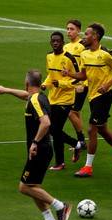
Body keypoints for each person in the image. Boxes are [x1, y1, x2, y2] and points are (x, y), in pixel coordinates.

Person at [0, 70, 72, 220]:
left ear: (27, 84)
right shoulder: (39, 96)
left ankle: (61, 207)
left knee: (25, 187)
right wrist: (6, 90)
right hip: (43, 149)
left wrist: (34, 143)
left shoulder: (35, 100)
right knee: (33, 186)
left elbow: (45, 123)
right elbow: (24, 96)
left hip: (40, 149)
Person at [62, 23, 112, 177]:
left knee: (91, 129)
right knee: (102, 128)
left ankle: (88, 167)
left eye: (86, 34)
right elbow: (83, 75)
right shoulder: (85, 54)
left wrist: (108, 84)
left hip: (104, 96)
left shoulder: (106, 53)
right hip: (93, 96)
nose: (84, 37)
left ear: (95, 36)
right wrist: (69, 74)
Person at [42, 31, 81, 171]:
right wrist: (45, 84)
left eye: (58, 41)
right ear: (50, 42)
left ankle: (63, 159)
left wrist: (62, 84)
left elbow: (78, 78)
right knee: (55, 130)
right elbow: (50, 75)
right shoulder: (49, 56)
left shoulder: (69, 58)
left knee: (54, 129)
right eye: (53, 41)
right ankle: (74, 147)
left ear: (63, 43)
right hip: (53, 98)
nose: (55, 43)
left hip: (65, 100)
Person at [63, 19, 87, 162]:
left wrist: (82, 83)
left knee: (70, 112)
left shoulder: (82, 46)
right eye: (67, 29)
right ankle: (81, 141)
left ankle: (81, 140)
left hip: (80, 85)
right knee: (76, 112)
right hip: (69, 84)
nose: (69, 32)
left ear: (78, 30)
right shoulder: (66, 47)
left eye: (72, 29)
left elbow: (86, 67)